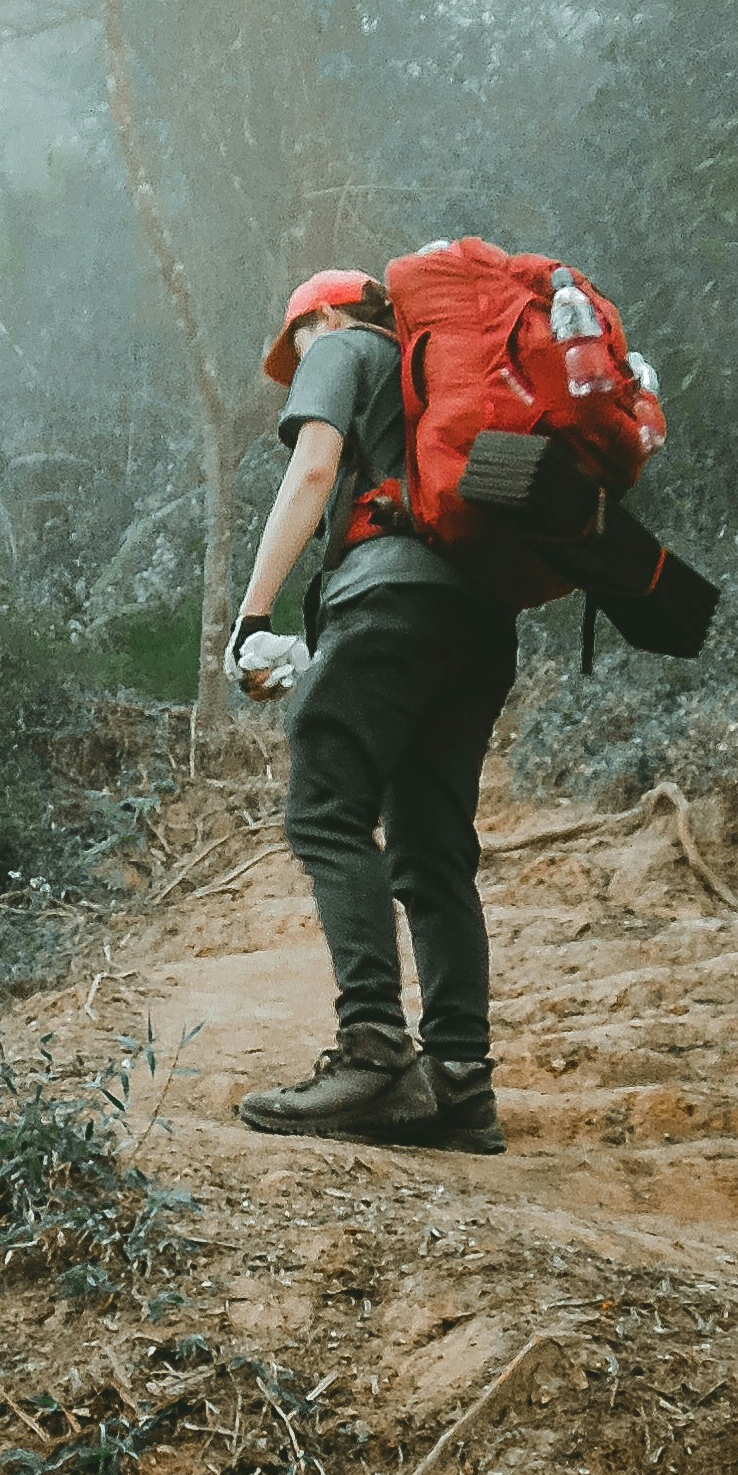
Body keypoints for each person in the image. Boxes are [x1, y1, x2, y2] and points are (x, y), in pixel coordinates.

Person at [223, 266, 515, 1153]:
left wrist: (252, 614)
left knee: (325, 811)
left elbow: (315, 467)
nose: (298, 359)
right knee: (431, 844)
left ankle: (374, 1053)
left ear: (324, 316)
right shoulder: (436, 383)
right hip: (476, 617)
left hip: (389, 602)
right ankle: (461, 1086)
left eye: (294, 344)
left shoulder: (344, 346)